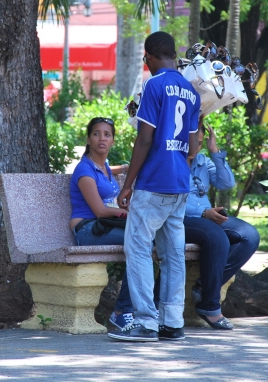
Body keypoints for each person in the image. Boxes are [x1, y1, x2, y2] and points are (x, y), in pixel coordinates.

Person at [108, 31, 200, 343]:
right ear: (174, 54)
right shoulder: (191, 90)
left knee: (137, 248)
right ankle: (173, 322)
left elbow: (145, 138)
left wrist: (127, 185)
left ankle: (146, 322)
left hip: (153, 183)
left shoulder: (154, 85)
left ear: (148, 56)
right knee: (173, 254)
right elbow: (193, 142)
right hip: (179, 184)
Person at [185, 117, 260, 330]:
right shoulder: (172, 161)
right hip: (182, 219)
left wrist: (214, 151)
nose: (195, 147)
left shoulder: (202, 161)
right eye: (192, 141)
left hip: (208, 217)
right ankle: (210, 306)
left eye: (199, 143)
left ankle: (204, 287)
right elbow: (172, 201)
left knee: (249, 236)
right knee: (217, 237)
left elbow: (227, 183)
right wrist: (203, 212)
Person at [69, 117, 133, 330]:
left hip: (104, 225)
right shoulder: (85, 171)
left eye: (107, 134)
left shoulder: (102, 166)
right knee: (140, 240)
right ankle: (123, 311)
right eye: (96, 134)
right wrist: (129, 214)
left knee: (150, 240)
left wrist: (124, 168)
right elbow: (101, 211)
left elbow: (107, 168)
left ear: (113, 140)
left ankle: (147, 307)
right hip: (87, 229)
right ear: (88, 140)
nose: (102, 139)